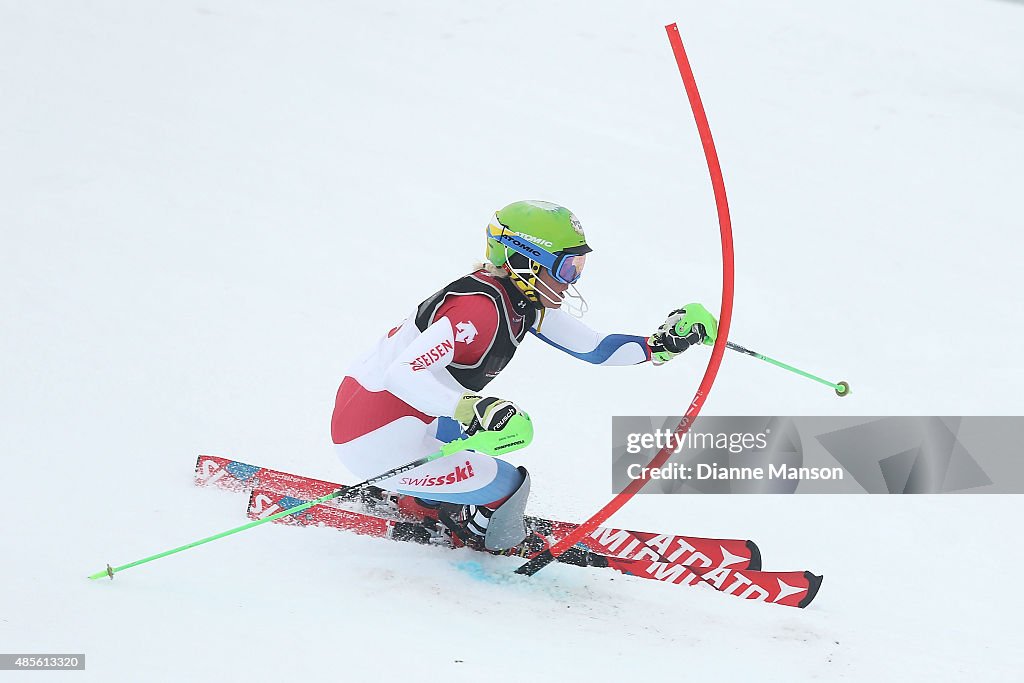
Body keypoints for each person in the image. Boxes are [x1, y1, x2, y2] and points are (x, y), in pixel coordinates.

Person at [331, 200, 718, 551]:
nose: (571, 281)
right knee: (510, 487)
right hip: (375, 436)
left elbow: (596, 348)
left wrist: (664, 343)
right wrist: (468, 406)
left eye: (578, 268)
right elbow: (403, 375)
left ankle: (430, 502)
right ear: (526, 261)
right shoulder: (479, 310)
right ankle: (483, 534)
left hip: (381, 419)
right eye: (567, 267)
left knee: (482, 432)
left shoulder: (521, 301)